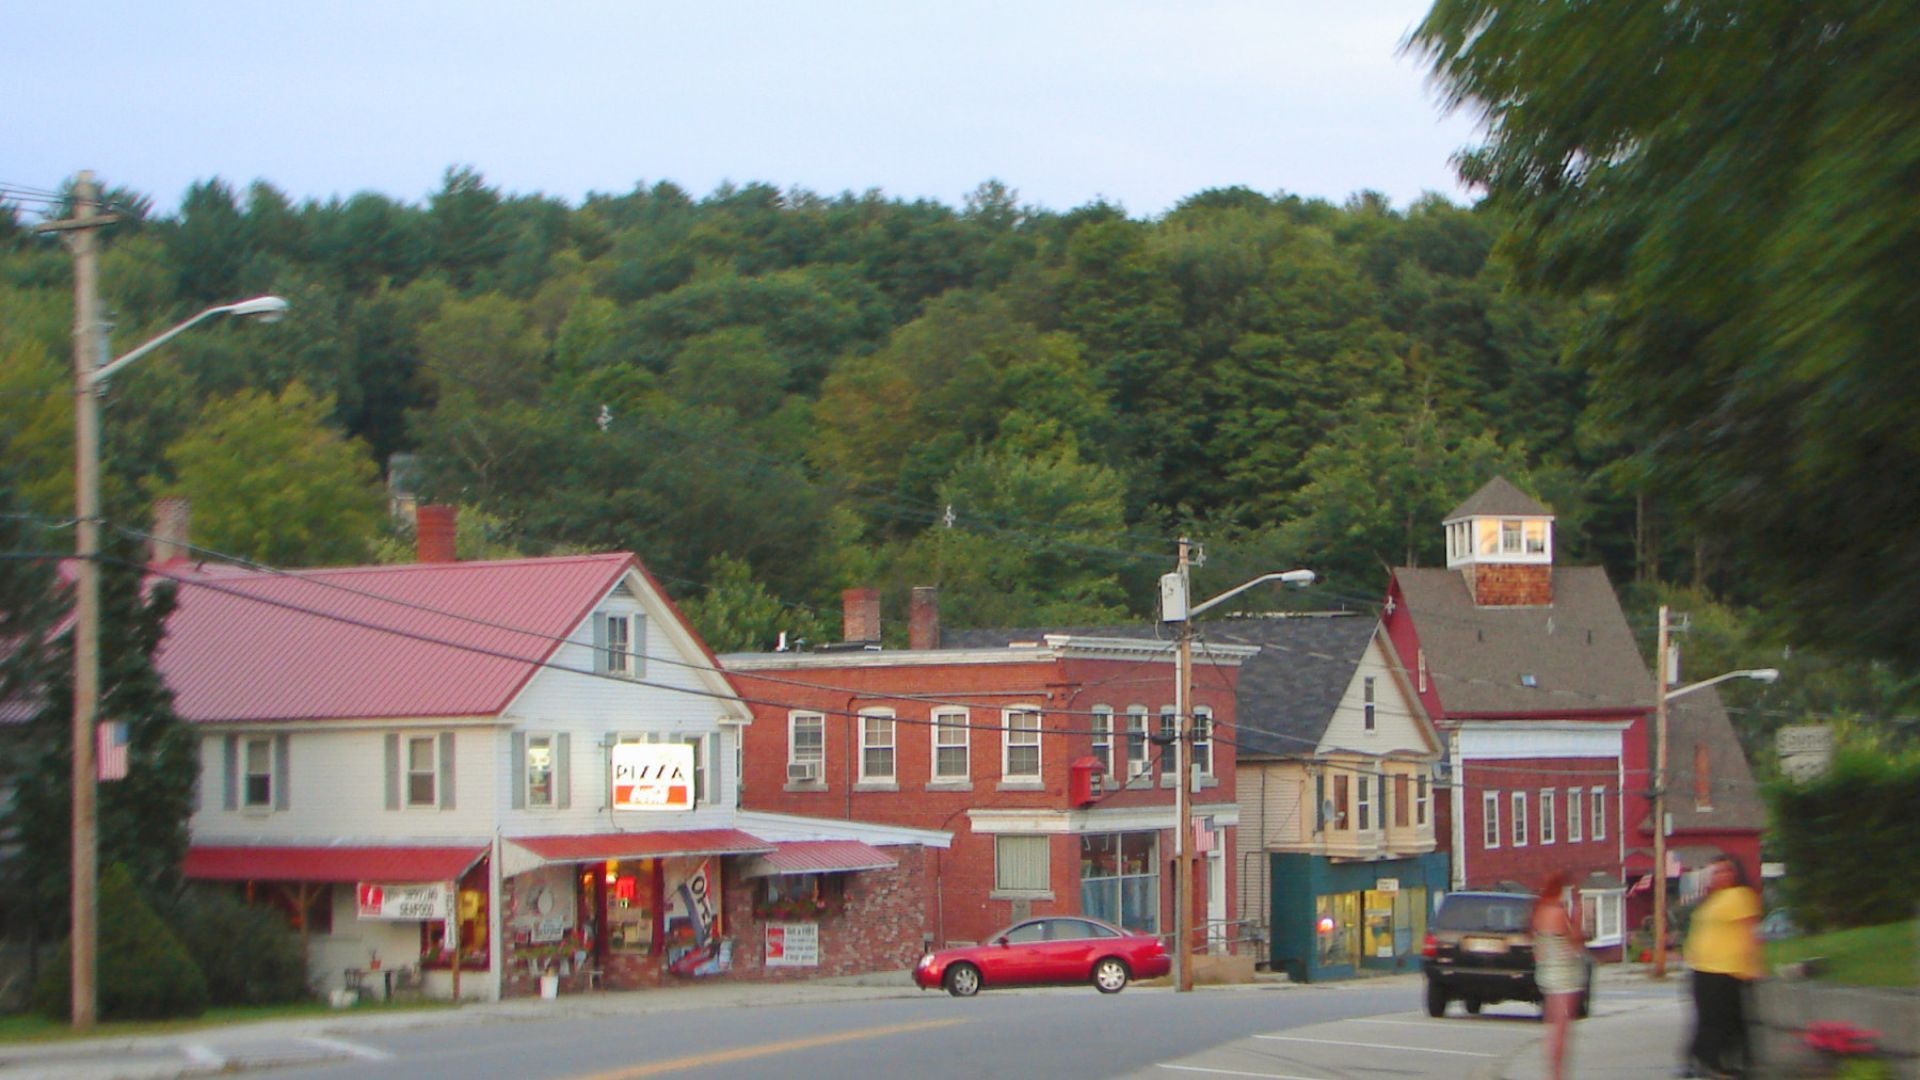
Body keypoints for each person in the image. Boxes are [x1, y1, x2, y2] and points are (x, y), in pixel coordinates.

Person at [1681, 855, 1767, 1078]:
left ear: (1736, 874)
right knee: (1706, 1018)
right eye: (1716, 872)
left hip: (1726, 968)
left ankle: (1714, 1063)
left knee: (1719, 1020)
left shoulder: (1740, 896)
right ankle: (1700, 1061)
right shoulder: (1711, 900)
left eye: (1725, 871)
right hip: (1702, 968)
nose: (1721, 876)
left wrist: (1754, 963)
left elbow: (1750, 931)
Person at [1532, 869, 1585, 1080]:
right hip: (1564, 973)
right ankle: (1557, 1074)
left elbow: (1538, 947)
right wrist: (1577, 916)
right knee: (1562, 1029)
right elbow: (1575, 942)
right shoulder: (1558, 912)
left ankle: (1552, 1071)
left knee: (1551, 1024)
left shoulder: (1539, 911)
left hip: (1546, 972)